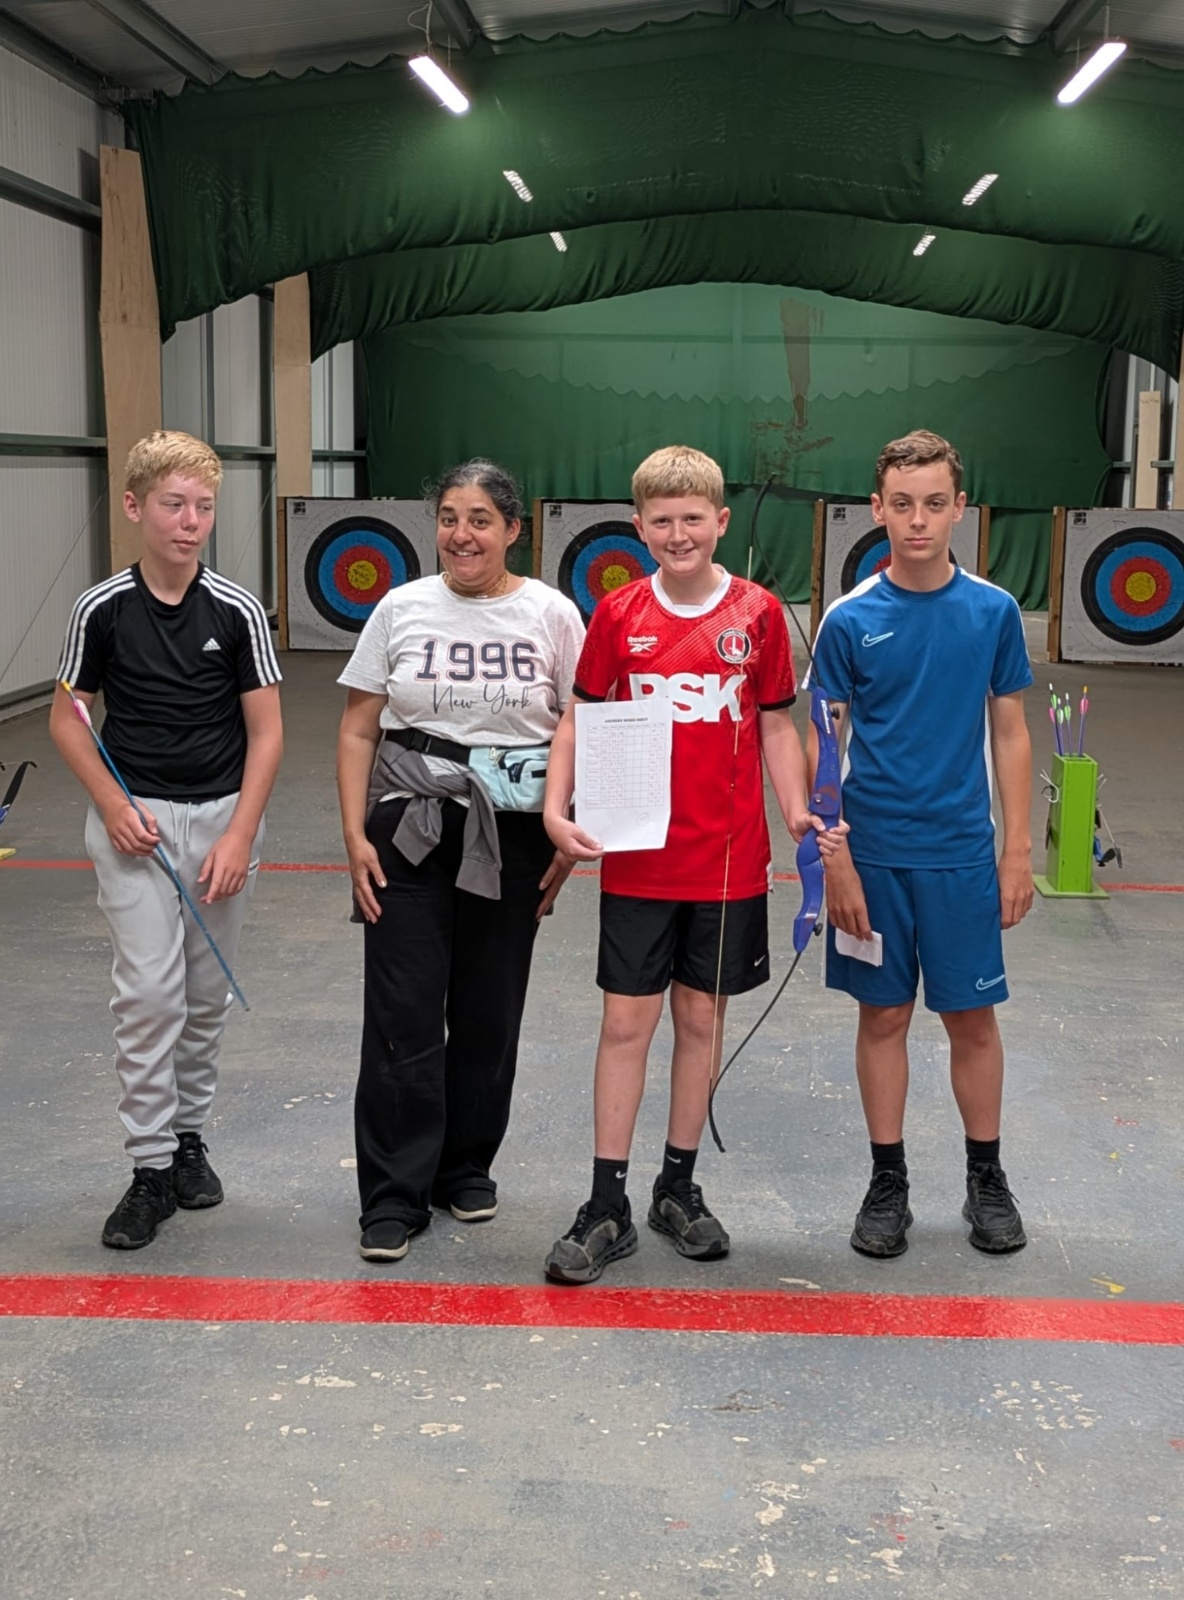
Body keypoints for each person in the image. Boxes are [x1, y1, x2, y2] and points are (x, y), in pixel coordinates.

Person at [541, 445, 841, 1285]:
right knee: (625, 1026)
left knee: (701, 1024)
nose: (679, 534)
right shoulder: (617, 614)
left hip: (727, 862)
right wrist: (556, 809)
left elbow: (776, 722)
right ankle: (606, 1204)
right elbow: (580, 717)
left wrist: (795, 810)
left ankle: (677, 1186)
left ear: (721, 522)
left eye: (693, 519)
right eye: (662, 521)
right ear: (639, 528)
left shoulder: (759, 613)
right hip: (638, 859)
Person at [336, 460, 585, 1263]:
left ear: (513, 530)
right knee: (403, 1010)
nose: (461, 534)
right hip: (408, 827)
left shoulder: (553, 613)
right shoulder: (400, 607)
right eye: (449, 517)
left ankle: (465, 1166)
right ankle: (392, 1194)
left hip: (514, 835)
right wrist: (354, 835)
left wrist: (569, 832)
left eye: (480, 520)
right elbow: (358, 728)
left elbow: (582, 727)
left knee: (488, 1009)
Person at [51, 430, 283, 1249]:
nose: (190, 522)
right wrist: (113, 805)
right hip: (136, 828)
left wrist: (239, 834)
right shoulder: (101, 608)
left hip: (221, 823)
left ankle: (188, 1141)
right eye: (173, 505)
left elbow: (267, 733)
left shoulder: (238, 610)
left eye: (203, 507)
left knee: (204, 995)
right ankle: (149, 1167)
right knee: (150, 994)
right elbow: (68, 718)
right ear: (134, 506)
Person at [810, 429, 1034, 1259]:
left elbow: (1010, 733)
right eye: (901, 504)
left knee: (972, 1020)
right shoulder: (848, 620)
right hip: (872, 858)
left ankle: (987, 1178)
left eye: (934, 504)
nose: (917, 520)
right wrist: (834, 861)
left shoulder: (993, 612)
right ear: (877, 509)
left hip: (961, 856)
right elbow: (823, 744)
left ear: (959, 509)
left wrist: (1016, 852)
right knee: (883, 1016)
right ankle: (887, 1181)